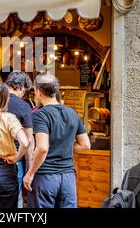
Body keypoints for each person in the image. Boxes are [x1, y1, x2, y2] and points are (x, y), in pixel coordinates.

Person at [24, 74, 91, 208]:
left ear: (38, 92)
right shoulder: (72, 113)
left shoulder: (39, 114)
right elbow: (85, 144)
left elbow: (42, 148)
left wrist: (30, 173)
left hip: (45, 176)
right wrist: (64, 148)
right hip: (68, 177)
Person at [5, 71, 34, 208]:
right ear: (21, 86)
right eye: (25, 90)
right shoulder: (23, 106)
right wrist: (30, 168)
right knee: (15, 200)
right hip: (14, 160)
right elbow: (28, 141)